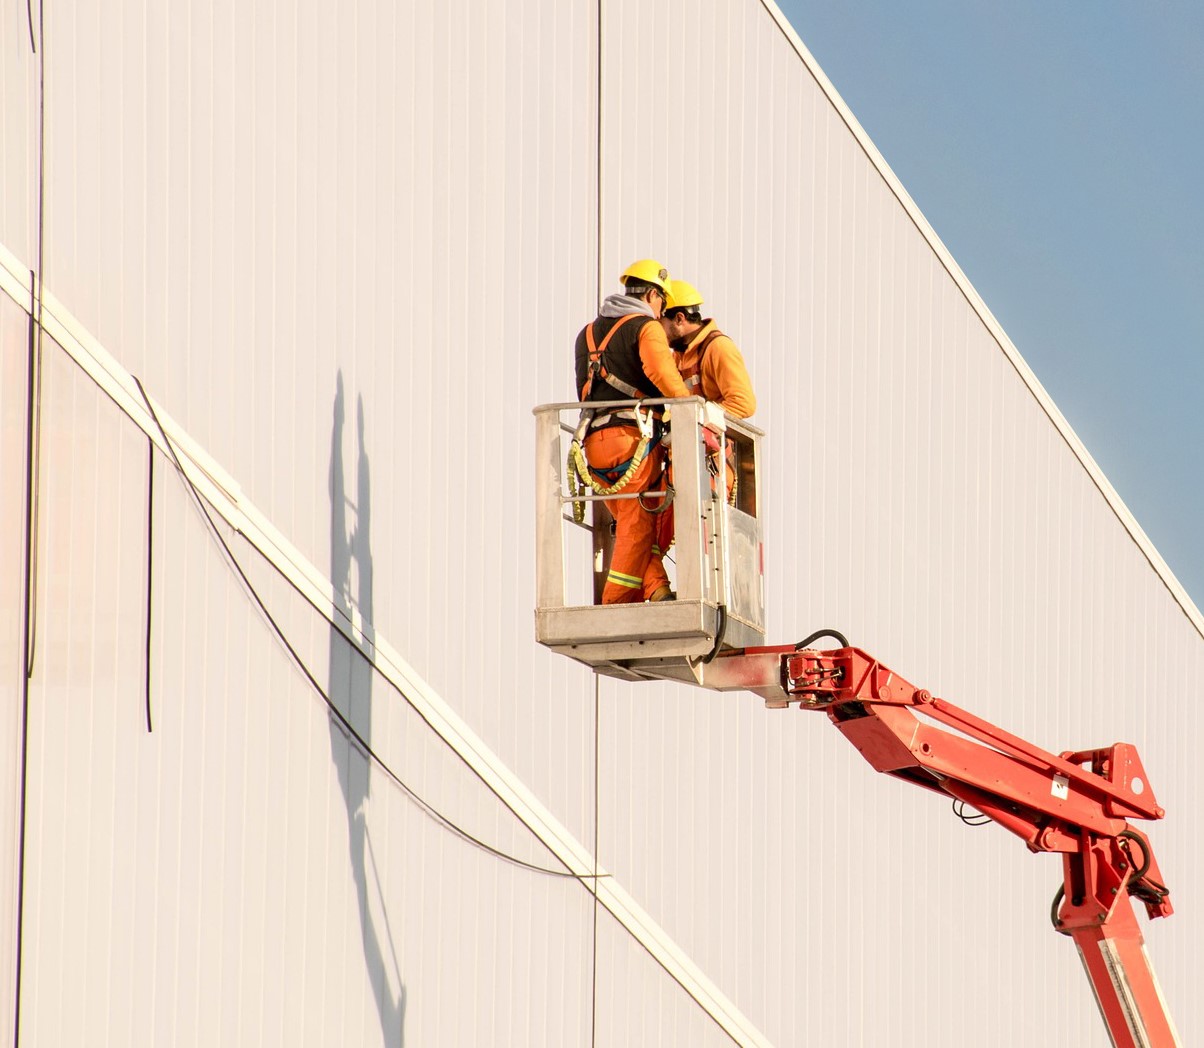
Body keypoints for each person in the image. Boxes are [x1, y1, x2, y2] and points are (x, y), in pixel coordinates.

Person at [574, 260, 689, 604]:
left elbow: (584, 390)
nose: (662, 313)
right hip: (632, 444)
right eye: (662, 304)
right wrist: (695, 414)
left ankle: (657, 591)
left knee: (631, 523)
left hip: (594, 448)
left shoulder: (588, 332)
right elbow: (668, 383)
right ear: (653, 295)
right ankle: (615, 604)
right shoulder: (646, 327)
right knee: (637, 526)